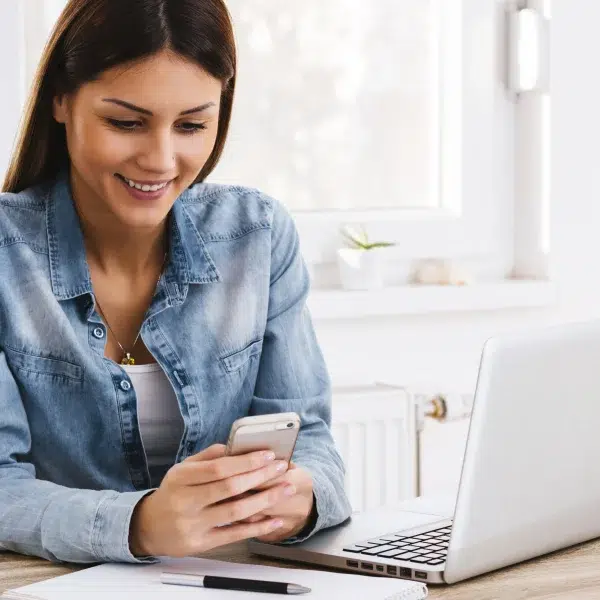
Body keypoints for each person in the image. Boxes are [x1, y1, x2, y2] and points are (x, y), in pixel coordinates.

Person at [0, 0, 351, 564]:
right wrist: (137, 525)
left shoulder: (257, 237)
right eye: (126, 122)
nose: (161, 160)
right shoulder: (5, 257)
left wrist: (303, 499)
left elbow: (308, 436)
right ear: (61, 99)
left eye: (192, 125)